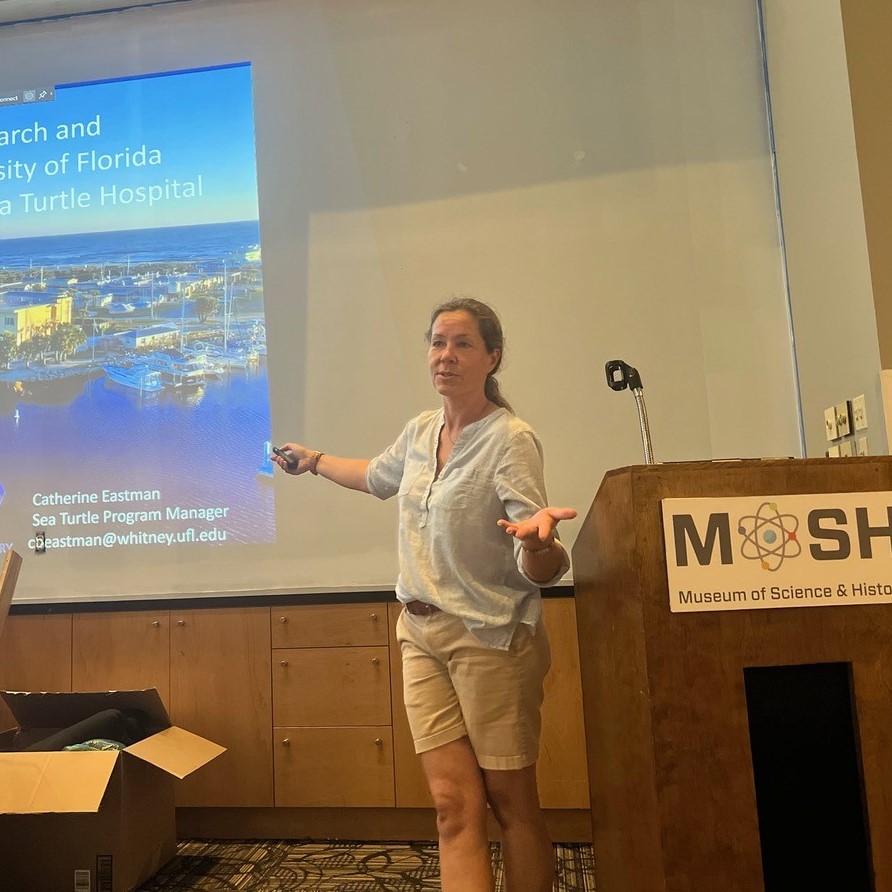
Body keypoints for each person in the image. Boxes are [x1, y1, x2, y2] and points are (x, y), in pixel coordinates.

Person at [272, 296, 575, 892]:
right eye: (438, 342)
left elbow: (536, 552)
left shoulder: (510, 439)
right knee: (451, 806)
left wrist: (540, 544)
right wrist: (313, 462)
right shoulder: (419, 431)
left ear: (492, 356)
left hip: (490, 637)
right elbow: (375, 476)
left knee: (511, 804)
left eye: (462, 344)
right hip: (419, 633)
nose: (446, 355)